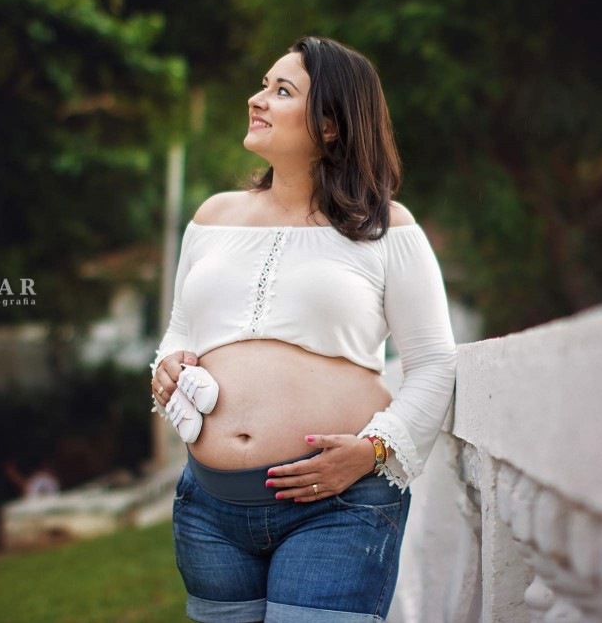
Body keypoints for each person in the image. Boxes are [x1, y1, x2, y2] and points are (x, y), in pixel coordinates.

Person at [150, 36, 457, 623]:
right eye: (263, 84)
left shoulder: (385, 227)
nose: (256, 99)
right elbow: (178, 332)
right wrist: (167, 367)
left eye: (282, 90)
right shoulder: (212, 218)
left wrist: (373, 451)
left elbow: (434, 363)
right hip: (209, 509)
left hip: (337, 505)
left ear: (333, 125)